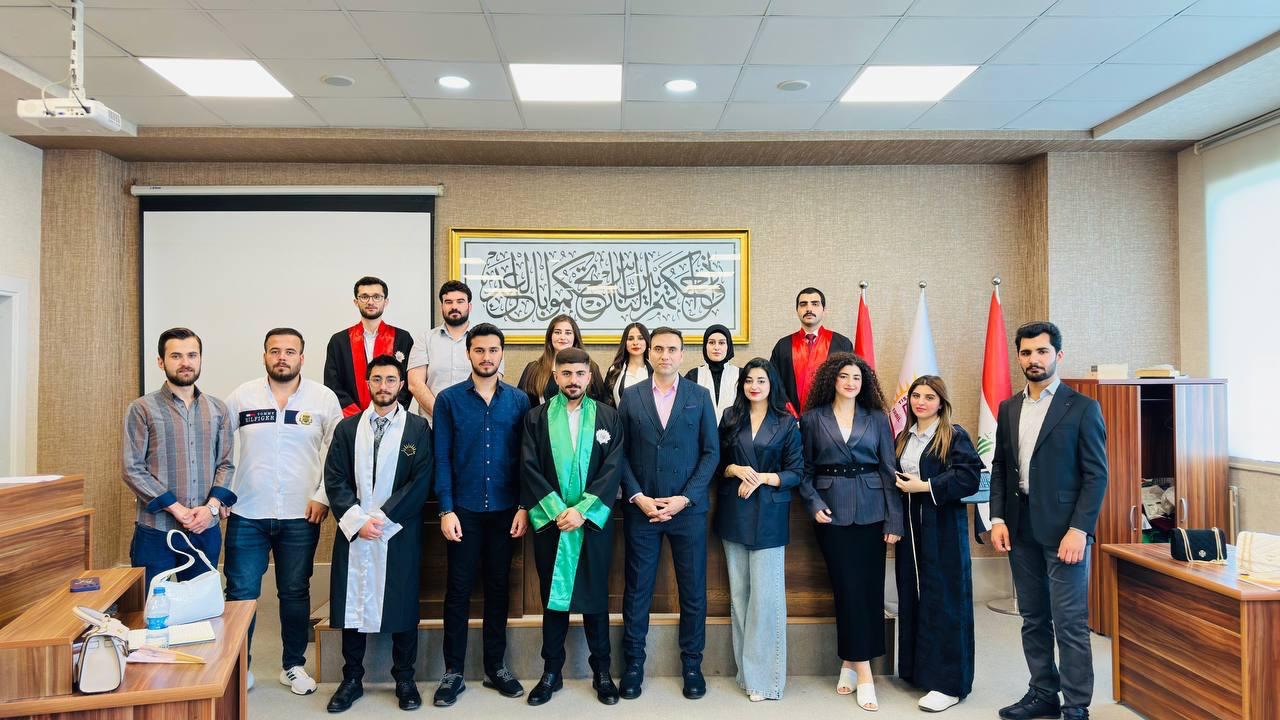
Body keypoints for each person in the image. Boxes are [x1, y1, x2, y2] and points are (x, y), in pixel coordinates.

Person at [989, 322, 1107, 720]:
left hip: (1065, 532)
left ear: (1058, 355)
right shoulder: (1009, 408)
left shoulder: (1083, 407)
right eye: (1026, 353)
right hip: (1019, 527)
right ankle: (1043, 692)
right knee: (1033, 618)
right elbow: (1001, 467)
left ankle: (1076, 706)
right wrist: (998, 518)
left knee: (1069, 623)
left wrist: (1080, 529)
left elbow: (1096, 475)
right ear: (1018, 357)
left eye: (1042, 351)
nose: (1033, 359)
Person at [223, 328, 343, 695]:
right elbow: (220, 447)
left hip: (301, 513)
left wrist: (323, 497)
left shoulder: (323, 399)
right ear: (264, 356)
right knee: (241, 593)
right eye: (275, 351)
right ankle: (237, 667)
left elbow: (336, 453)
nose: (282, 357)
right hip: (247, 511)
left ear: (302, 358)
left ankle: (293, 665)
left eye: (290, 351)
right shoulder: (241, 396)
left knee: (294, 591)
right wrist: (221, 495)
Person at [324, 354, 433, 714]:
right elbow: (334, 477)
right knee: (351, 602)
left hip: (398, 531)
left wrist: (384, 519)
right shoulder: (347, 429)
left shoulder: (418, 429)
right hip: (355, 530)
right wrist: (358, 519)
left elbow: (421, 481)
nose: (383, 386)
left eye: (390, 380)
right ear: (367, 383)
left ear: (402, 385)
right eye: (377, 379)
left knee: (402, 602)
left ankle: (405, 678)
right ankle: (351, 678)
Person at [616, 327, 720, 701]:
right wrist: (638, 496)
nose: (664, 355)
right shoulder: (631, 396)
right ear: (648, 353)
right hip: (642, 510)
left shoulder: (699, 396)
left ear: (682, 354)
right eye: (658, 348)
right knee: (637, 590)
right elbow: (619, 453)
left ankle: (692, 665)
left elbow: (711, 452)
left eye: (672, 349)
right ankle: (633, 665)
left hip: (686, 512)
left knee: (692, 592)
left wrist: (685, 498)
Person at [520, 347, 627, 707]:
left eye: (580, 374)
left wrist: (582, 511)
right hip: (552, 524)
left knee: (596, 597)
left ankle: (602, 672)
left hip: (592, 523)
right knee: (553, 599)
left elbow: (612, 469)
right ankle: (551, 672)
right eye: (566, 374)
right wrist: (557, 511)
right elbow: (529, 467)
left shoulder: (608, 417)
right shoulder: (536, 418)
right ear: (555, 376)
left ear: (589, 376)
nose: (573, 380)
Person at [432, 323, 531, 707]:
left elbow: (526, 459)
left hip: (505, 511)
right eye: (479, 350)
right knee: (457, 591)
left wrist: (523, 506)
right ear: (468, 353)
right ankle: (452, 671)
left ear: (501, 353)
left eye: (493, 350)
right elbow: (442, 458)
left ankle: (495, 667)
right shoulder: (448, 400)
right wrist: (446, 509)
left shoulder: (518, 401)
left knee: (498, 589)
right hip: (464, 512)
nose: (486, 357)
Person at [797, 352, 901, 712]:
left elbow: (889, 469)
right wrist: (813, 503)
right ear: (832, 379)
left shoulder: (878, 418)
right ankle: (865, 670)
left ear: (864, 382)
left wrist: (894, 520)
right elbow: (804, 470)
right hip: (832, 512)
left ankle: (851, 663)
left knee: (868, 589)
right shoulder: (812, 419)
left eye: (856, 377)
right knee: (846, 588)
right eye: (844, 376)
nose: (850, 382)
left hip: (872, 511)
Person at [892, 375, 983, 713]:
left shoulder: (953, 435)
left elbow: (969, 477)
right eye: (916, 396)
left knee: (945, 600)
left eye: (929, 397)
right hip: (911, 531)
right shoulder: (904, 437)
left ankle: (949, 684)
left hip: (942, 530)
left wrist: (926, 486)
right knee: (914, 596)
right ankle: (919, 671)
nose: (921, 402)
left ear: (941, 403)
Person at [713, 357, 802, 702]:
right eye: (749, 380)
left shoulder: (786, 422)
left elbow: (797, 472)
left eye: (761, 380)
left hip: (769, 514)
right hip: (734, 511)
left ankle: (766, 681)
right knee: (740, 599)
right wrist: (734, 469)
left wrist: (763, 477)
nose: (754, 386)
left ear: (771, 385)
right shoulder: (730, 417)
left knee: (766, 599)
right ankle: (747, 674)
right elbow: (716, 462)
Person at [123, 327, 235, 586]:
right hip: (156, 530)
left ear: (200, 359)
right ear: (160, 361)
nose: (185, 362)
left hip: (204, 529)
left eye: (192, 355)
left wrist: (210, 509)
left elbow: (226, 464)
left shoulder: (218, 409)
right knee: (149, 603)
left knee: (199, 606)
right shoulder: (142, 409)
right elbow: (132, 468)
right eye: (176, 356)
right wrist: (177, 509)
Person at [407, 280, 504, 424]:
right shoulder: (425, 339)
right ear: (442, 306)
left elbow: (494, 381)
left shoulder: (486, 340)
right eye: (448, 302)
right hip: (433, 425)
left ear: (469, 306)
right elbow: (415, 384)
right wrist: (442, 415)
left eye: (460, 301)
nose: (454, 307)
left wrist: (466, 418)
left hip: (474, 423)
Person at [324, 276, 414, 417]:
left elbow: (408, 382)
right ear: (356, 302)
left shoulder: (402, 338)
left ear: (386, 301)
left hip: (392, 418)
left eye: (377, 297)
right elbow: (332, 384)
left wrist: (388, 412)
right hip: (350, 419)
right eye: (364, 297)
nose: (370, 302)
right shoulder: (339, 341)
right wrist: (357, 418)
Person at [769, 287, 853, 413]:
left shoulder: (842, 344)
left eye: (815, 304)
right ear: (797, 310)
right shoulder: (783, 346)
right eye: (803, 304)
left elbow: (849, 382)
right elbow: (774, 384)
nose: (809, 308)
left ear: (824, 310)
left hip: (831, 418)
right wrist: (789, 415)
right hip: (790, 418)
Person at [517, 314, 606, 405]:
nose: (562, 337)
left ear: (575, 337)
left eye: (568, 333)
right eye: (557, 332)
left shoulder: (591, 367)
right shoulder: (533, 369)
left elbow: (600, 405)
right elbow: (522, 404)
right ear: (550, 336)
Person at [685, 324, 738, 424]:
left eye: (721, 343)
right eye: (711, 342)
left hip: (735, 433)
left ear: (729, 346)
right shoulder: (693, 375)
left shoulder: (741, 374)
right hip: (701, 432)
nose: (716, 347)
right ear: (705, 346)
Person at [603, 321, 651, 407]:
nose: (635, 343)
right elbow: (606, 403)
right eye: (630, 339)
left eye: (640, 338)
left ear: (647, 341)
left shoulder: (655, 370)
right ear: (625, 342)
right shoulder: (615, 370)